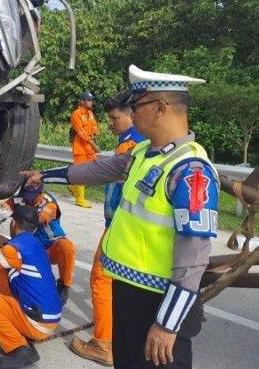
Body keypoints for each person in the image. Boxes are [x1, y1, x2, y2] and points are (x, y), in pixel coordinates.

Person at [22, 65, 218, 368]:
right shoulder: (144, 153)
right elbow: (98, 170)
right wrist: (44, 175)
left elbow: (194, 258)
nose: (132, 115)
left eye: (136, 106)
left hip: (158, 303)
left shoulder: (190, 171)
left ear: (160, 107)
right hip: (127, 291)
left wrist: (167, 324)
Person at [69, 90, 145, 366]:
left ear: (132, 115)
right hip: (129, 225)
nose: (110, 122)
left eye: (115, 117)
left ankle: (102, 344)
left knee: (101, 279)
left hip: (119, 225)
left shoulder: (129, 146)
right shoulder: (140, 141)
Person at [0, 205, 62, 369]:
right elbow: (8, 244)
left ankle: (20, 349)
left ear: (13, 224)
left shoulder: (14, 249)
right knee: (2, 270)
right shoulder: (33, 242)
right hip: (50, 318)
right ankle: (18, 320)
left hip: (38, 324)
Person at [10, 185, 75, 304]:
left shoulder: (49, 203)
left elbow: (40, 219)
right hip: (31, 246)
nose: (28, 200)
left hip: (50, 246)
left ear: (41, 194)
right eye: (26, 196)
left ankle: (64, 285)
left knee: (67, 246)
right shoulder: (20, 198)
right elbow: (4, 204)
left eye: (32, 197)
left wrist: (19, 213)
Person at [69, 91, 100, 208]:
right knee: (82, 173)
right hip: (81, 148)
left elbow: (94, 127)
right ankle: (80, 199)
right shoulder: (76, 114)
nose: (91, 102)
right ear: (82, 101)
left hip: (90, 148)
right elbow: (81, 132)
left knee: (92, 170)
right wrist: (92, 144)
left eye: (91, 100)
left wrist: (95, 135)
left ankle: (73, 187)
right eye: (88, 100)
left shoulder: (90, 113)